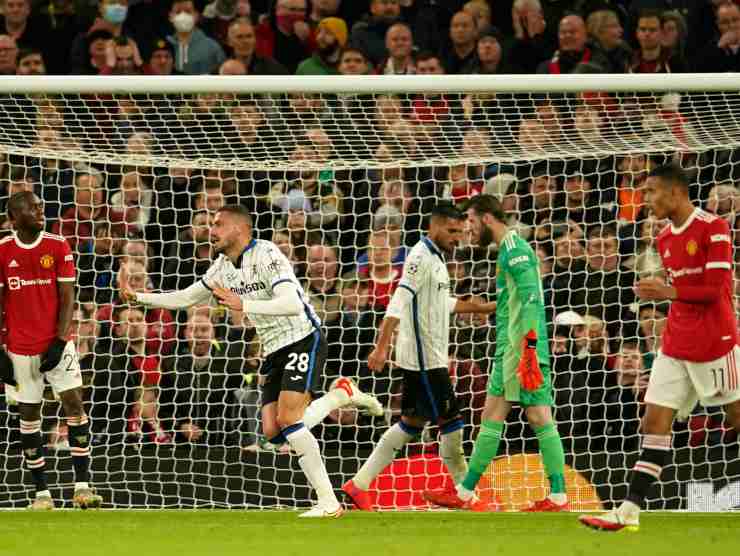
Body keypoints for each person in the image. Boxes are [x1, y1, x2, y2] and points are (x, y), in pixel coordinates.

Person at [119, 204, 375, 517]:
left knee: (291, 422)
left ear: (239, 229)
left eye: (218, 224)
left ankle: (328, 502)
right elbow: (187, 297)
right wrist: (140, 297)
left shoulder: (266, 254)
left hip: (303, 338)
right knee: (273, 432)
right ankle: (340, 395)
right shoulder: (221, 266)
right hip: (274, 348)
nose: (211, 231)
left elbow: (293, 303)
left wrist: (244, 303)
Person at [580, 163, 740, 532]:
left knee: (735, 419)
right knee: (653, 422)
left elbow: (716, 289)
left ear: (675, 192)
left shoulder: (714, 227)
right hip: (675, 343)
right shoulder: (665, 237)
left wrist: (665, 292)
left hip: (715, 344)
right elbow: (683, 294)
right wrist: (661, 293)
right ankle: (628, 511)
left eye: (651, 192)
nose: (645, 199)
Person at [341, 202, 497, 511]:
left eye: (461, 232)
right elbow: (399, 300)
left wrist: (480, 308)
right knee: (452, 422)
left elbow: (440, 302)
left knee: (411, 423)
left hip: (430, 355)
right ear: (435, 227)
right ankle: (465, 494)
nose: (458, 238)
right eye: (452, 231)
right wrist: (381, 345)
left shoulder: (437, 259)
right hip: (424, 359)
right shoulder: (419, 256)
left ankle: (357, 485)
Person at [424, 194, 568, 512]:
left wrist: (529, 350)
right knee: (494, 416)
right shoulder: (507, 251)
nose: (469, 230)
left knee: (539, 417)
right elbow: (513, 303)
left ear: (488, 218)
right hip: (510, 347)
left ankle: (557, 495)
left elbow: (531, 301)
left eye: (472, 222)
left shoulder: (516, 251)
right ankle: (465, 492)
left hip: (523, 348)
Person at [0, 191, 102, 509]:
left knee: (74, 404)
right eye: (31, 208)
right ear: (14, 218)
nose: (39, 210)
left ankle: (82, 487)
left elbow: (68, 295)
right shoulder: (2, 251)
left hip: (57, 343)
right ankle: (41, 494)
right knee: (28, 415)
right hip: (19, 348)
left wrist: (59, 341)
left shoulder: (57, 244)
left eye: (40, 206)